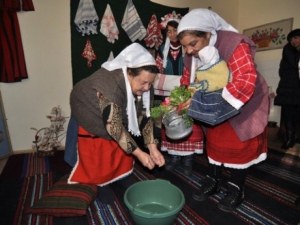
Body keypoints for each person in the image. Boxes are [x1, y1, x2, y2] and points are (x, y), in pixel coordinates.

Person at [176, 8, 270, 212]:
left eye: (193, 44)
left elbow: (245, 79)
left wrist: (209, 104)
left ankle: (237, 187)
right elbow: (187, 79)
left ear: (208, 33)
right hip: (212, 105)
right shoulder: (192, 53)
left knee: (237, 147)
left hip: (243, 102)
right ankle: (214, 179)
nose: (190, 51)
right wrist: (185, 98)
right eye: (185, 47)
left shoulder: (234, 43)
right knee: (216, 142)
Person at [64, 43, 165, 202]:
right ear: (129, 73)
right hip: (87, 108)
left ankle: (118, 175)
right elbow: (116, 128)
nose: (147, 87)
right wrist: (139, 153)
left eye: (150, 83)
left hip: (114, 112)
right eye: (143, 82)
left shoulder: (145, 83)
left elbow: (145, 116)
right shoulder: (110, 86)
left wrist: (153, 147)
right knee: (98, 152)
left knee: (120, 148)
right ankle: (98, 183)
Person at [153, 11, 204, 176]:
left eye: (175, 30)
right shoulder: (162, 49)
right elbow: (158, 69)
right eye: (168, 31)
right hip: (167, 93)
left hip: (187, 91)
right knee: (171, 122)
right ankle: (174, 158)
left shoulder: (189, 48)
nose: (172, 34)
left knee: (189, 123)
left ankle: (188, 160)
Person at [274, 29, 300, 150]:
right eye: (294, 38)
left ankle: (294, 137)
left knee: (295, 114)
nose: (296, 40)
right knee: (288, 114)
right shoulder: (288, 49)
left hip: (296, 88)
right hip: (289, 88)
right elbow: (295, 63)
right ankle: (289, 138)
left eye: (298, 37)